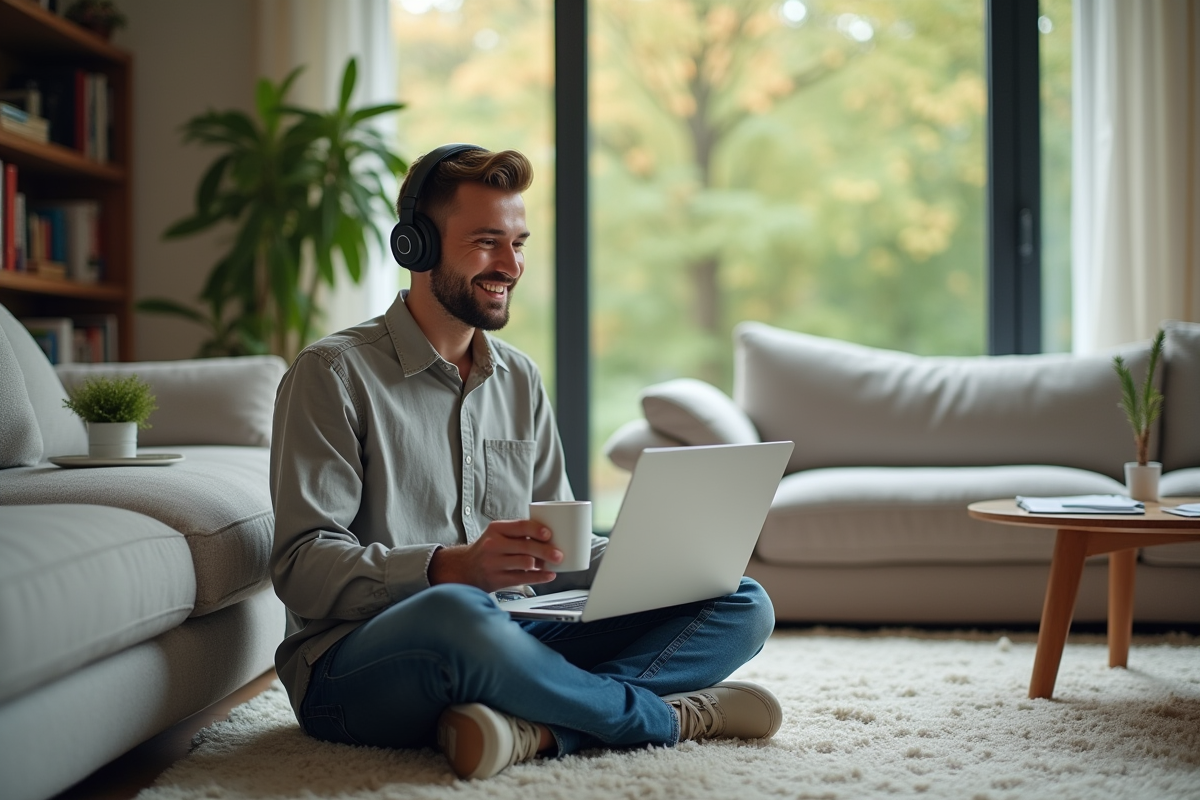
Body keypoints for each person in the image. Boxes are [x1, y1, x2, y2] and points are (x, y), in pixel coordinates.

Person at [269, 143, 783, 780]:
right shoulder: (334, 373)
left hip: (511, 637)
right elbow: (300, 566)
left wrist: (653, 562)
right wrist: (448, 567)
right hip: (357, 666)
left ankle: (538, 729)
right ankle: (657, 718)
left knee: (740, 599)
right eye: (487, 242)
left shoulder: (519, 379)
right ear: (417, 247)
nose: (509, 265)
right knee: (459, 611)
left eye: (518, 243)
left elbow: (555, 550)